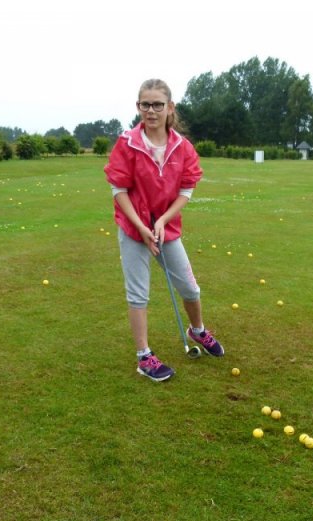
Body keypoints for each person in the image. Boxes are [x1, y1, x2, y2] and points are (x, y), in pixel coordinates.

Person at [104, 78, 224, 382]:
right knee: (138, 294)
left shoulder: (182, 148)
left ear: (170, 107)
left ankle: (197, 330)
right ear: (138, 107)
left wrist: (161, 221)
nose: (151, 110)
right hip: (133, 228)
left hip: (165, 228)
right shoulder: (127, 143)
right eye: (145, 104)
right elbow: (119, 190)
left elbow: (186, 190)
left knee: (190, 288)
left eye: (158, 104)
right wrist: (142, 227)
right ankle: (144, 357)